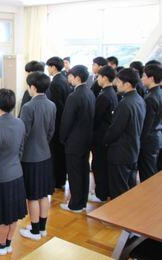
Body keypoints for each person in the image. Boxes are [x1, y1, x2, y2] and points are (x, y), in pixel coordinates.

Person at [0, 89, 27, 256]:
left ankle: (1, 245)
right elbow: (21, 150)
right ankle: (8, 242)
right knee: (12, 212)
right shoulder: (19, 122)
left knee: (2, 213)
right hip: (16, 173)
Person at [19, 72, 56, 241]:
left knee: (32, 195)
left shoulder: (28, 107)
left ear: (32, 87)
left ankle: (34, 231)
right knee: (43, 194)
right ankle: (42, 228)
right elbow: (51, 131)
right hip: (45, 154)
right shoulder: (51, 105)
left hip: (30, 157)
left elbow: (23, 134)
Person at [104, 68, 146, 198]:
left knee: (119, 191)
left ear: (127, 84)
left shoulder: (125, 103)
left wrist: (105, 140)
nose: (116, 83)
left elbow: (115, 130)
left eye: (118, 81)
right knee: (129, 187)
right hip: (132, 150)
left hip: (120, 153)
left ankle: (118, 218)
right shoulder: (139, 99)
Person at [59, 65, 95, 212]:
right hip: (86, 139)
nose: (69, 78)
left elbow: (66, 121)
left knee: (74, 173)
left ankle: (75, 205)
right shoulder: (89, 92)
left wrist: (62, 138)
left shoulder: (74, 96)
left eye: (71, 76)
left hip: (74, 141)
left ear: (77, 78)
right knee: (83, 171)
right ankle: (82, 202)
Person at [90, 66, 118, 203]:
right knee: (102, 165)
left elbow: (96, 118)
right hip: (106, 135)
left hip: (100, 136)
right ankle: (104, 192)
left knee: (99, 165)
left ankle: (100, 194)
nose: (97, 79)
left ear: (105, 78)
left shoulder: (104, 95)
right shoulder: (111, 92)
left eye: (99, 77)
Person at [46, 57, 72, 189]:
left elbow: (57, 106)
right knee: (60, 152)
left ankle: (58, 180)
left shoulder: (56, 83)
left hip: (58, 122)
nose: (48, 69)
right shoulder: (63, 79)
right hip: (63, 121)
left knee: (57, 153)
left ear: (53, 67)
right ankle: (61, 178)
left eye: (49, 67)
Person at [138, 64, 162, 182]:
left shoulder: (151, 97)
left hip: (148, 141)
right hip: (156, 137)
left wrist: (139, 141)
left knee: (147, 174)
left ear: (151, 78)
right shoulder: (159, 93)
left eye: (144, 76)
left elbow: (146, 125)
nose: (142, 78)